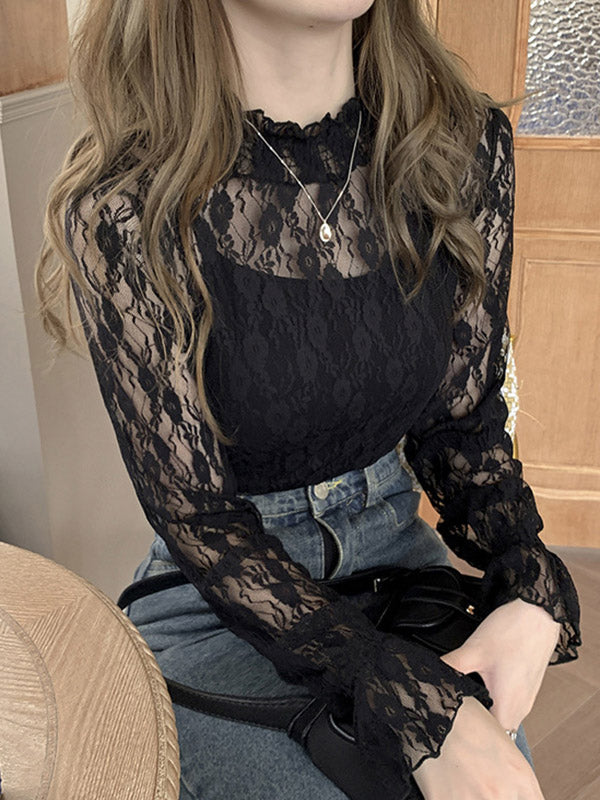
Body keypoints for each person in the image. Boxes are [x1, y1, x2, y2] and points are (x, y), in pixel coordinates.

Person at [35, 1, 582, 798]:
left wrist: (528, 580)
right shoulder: (124, 206)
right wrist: (402, 696)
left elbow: (460, 425)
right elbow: (198, 519)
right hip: (223, 595)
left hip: (397, 557)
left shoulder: (460, 148)